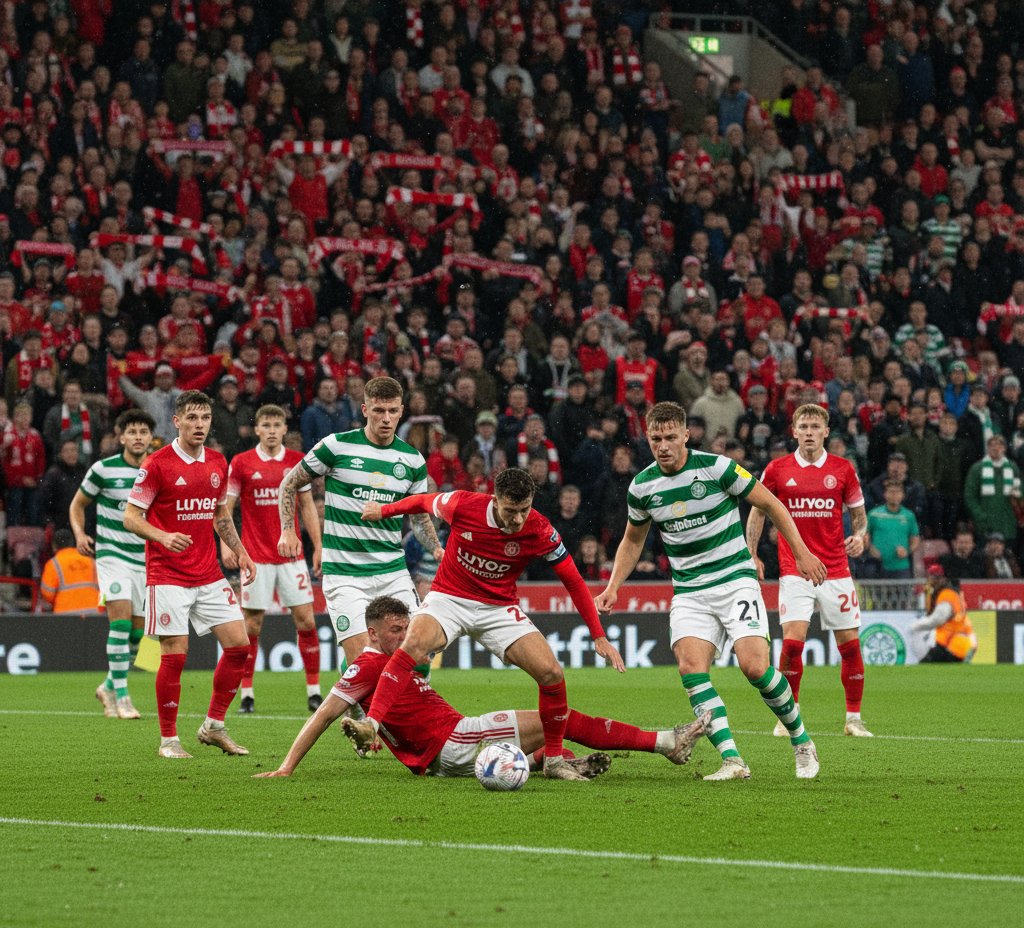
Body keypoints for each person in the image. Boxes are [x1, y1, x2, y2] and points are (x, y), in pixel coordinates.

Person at [595, 402, 827, 781]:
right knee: (691, 669)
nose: (664, 446)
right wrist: (613, 587)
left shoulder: (717, 468)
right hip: (689, 591)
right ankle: (733, 760)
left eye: (671, 437)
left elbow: (770, 504)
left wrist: (801, 553)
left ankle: (801, 741)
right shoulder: (642, 487)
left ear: (686, 435)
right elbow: (632, 540)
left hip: (734, 580)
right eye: (656, 439)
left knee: (754, 667)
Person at [347, 467, 626, 781]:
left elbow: (574, 581)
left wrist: (598, 636)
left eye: (524, 510)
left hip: (498, 607)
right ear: (495, 500)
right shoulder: (464, 505)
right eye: (510, 511)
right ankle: (370, 724)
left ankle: (553, 759)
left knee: (551, 673)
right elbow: (423, 501)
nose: (518, 519)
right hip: (449, 597)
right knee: (414, 643)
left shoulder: (539, 529)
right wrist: (384, 510)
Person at [255, 597, 708, 779]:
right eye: (395, 630)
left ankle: (549, 761)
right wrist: (286, 768)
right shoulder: (372, 663)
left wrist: (377, 736)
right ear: (373, 635)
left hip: (443, 754)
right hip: (454, 739)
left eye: (406, 628)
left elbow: (389, 719)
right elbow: (323, 713)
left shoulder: (391, 663)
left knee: (549, 726)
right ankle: (664, 742)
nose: (404, 638)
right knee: (559, 717)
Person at [277, 376, 443, 675]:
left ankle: (408, 719)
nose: (386, 418)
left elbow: (419, 517)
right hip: (345, 573)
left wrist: (437, 549)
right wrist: (288, 528)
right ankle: (356, 710)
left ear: (402, 411)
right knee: (363, 662)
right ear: (365, 409)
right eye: (379, 411)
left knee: (418, 654)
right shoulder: (336, 447)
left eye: (392, 411)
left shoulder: (412, 460)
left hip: (391, 571)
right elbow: (290, 483)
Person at [123, 389, 256, 759]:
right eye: (192, 419)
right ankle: (168, 740)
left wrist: (241, 551)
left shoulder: (217, 461)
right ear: (177, 422)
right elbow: (131, 517)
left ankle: (213, 726)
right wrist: (163, 535)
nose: (199, 425)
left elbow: (219, 514)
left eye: (205, 418)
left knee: (239, 646)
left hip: (209, 572)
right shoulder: (157, 464)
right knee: (175, 655)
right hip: (166, 574)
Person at [746, 404, 873, 738]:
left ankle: (854, 719)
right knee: (792, 643)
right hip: (794, 570)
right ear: (794, 431)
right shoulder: (777, 469)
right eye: (803, 426)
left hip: (836, 570)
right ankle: (789, 717)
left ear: (826, 432)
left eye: (815, 426)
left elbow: (859, 515)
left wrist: (859, 537)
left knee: (850, 646)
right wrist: (752, 553)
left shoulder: (844, 469)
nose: (809, 432)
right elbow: (758, 512)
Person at [223, 404, 323, 714]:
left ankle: (314, 692)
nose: (270, 429)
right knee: (252, 625)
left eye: (276, 424)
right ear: (257, 429)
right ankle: (247, 695)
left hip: (291, 557)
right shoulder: (241, 463)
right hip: (254, 558)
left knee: (306, 619)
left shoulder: (296, 462)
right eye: (265, 424)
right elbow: (225, 506)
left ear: (283, 429)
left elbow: (307, 506)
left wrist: (317, 546)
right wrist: (227, 545)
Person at [69, 408, 156, 721]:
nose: (137, 437)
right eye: (131, 432)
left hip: (145, 559)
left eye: (142, 432)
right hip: (112, 556)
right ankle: (122, 697)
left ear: (150, 438)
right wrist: (80, 533)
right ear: (121, 437)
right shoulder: (103, 470)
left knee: (137, 636)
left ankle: (107, 685)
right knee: (119, 624)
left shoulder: (157, 469)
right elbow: (78, 505)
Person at [912, 565, 976, 663]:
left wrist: (917, 626)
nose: (930, 581)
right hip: (955, 638)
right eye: (929, 578)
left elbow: (938, 619)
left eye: (933, 578)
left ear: (941, 579)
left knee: (929, 666)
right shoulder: (937, 591)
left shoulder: (947, 593)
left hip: (955, 639)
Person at [39, 528, 102, 614]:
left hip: (65, 616)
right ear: (74, 543)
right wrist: (100, 608)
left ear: (54, 546)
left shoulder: (53, 564)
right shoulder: (91, 561)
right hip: (93, 615)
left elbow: (47, 593)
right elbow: (104, 590)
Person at [866, 481, 920, 579]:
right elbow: (864, 536)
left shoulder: (909, 515)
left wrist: (907, 551)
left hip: (901, 567)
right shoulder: (874, 514)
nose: (894, 495)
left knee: (903, 594)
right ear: (885, 494)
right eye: (891, 492)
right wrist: (870, 548)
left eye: (898, 492)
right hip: (877, 565)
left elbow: (915, 539)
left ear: (903, 495)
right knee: (877, 594)